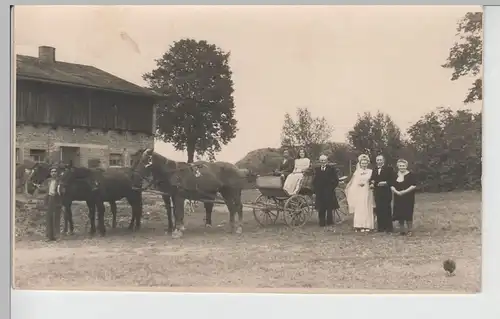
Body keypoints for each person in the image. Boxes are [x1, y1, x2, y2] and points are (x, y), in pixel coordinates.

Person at [345, 154, 375, 232]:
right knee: (360, 207)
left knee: (367, 206)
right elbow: (354, 181)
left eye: (365, 163)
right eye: (362, 163)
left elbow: (372, 180)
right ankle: (359, 225)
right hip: (359, 190)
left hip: (367, 190)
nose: (364, 164)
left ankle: (367, 225)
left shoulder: (370, 171)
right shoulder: (357, 172)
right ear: (360, 164)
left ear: (367, 163)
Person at [391, 159, 417, 236]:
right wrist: (396, 192)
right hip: (398, 196)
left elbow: (413, 186)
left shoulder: (411, 175)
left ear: (406, 166)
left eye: (403, 166)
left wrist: (404, 192)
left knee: (408, 213)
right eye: (400, 166)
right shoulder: (395, 175)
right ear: (398, 166)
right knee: (399, 213)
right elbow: (392, 185)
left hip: (408, 197)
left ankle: (410, 230)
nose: (402, 167)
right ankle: (402, 230)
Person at [313, 154, 339, 230]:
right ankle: (321, 222)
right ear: (319, 161)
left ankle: (330, 221)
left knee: (329, 206)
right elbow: (315, 180)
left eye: (324, 160)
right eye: (321, 160)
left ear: (327, 161)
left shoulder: (331, 169)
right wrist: (315, 189)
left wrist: (332, 187)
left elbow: (335, 180)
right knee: (321, 207)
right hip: (320, 190)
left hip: (328, 190)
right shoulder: (317, 169)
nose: (323, 162)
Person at [369, 155, 395, 233]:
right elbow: (372, 179)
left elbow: (393, 179)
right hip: (377, 192)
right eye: (378, 160)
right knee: (379, 209)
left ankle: (389, 227)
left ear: (384, 161)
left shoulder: (389, 169)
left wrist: (386, 183)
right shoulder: (374, 169)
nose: (379, 161)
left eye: (380, 160)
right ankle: (381, 227)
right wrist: (371, 183)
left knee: (386, 209)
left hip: (386, 192)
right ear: (376, 161)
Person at [38, 166, 62, 241]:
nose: (53, 173)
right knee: (49, 218)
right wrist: (39, 187)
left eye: (55, 171)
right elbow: (44, 189)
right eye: (52, 171)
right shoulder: (48, 180)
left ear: (57, 173)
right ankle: (49, 237)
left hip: (57, 200)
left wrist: (60, 191)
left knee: (56, 218)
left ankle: (56, 236)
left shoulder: (60, 181)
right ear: (50, 173)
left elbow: (63, 191)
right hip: (49, 200)